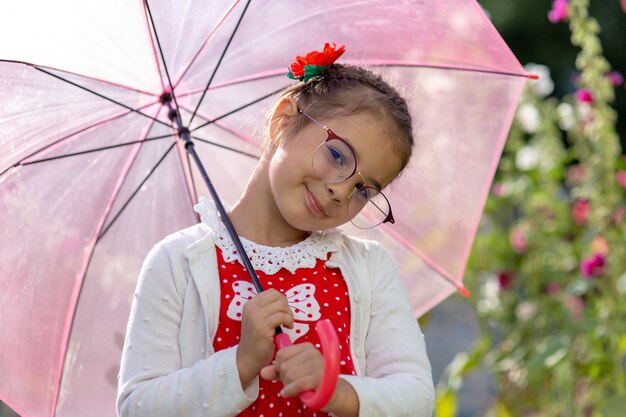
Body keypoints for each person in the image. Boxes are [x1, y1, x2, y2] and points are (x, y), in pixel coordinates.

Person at [117, 43, 435, 417]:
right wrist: (240, 362)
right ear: (284, 120)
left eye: (364, 190)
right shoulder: (178, 262)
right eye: (337, 156)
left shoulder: (368, 268)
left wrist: (339, 391)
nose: (340, 191)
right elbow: (137, 406)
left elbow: (416, 397)